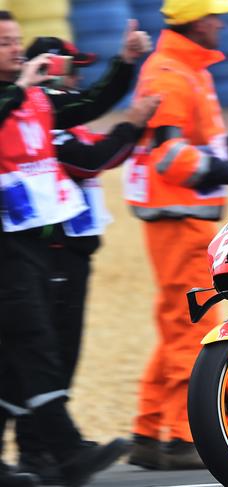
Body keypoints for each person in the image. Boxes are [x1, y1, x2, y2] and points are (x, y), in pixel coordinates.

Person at [0, 11, 151, 487]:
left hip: (37, 244)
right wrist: (23, 87)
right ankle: (61, 452)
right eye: (5, 43)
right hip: (7, 247)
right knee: (37, 346)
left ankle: (45, 453)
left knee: (18, 357)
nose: (15, 50)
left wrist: (124, 65)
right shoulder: (18, 94)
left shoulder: (36, 97)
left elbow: (86, 103)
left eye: (14, 41)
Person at [124, 0, 228, 470]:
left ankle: (149, 433)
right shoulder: (170, 72)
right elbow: (169, 155)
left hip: (187, 218)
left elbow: (191, 143)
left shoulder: (189, 70)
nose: (222, 22)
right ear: (194, 19)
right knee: (192, 329)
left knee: (177, 325)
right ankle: (186, 437)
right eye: (215, 15)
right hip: (179, 220)